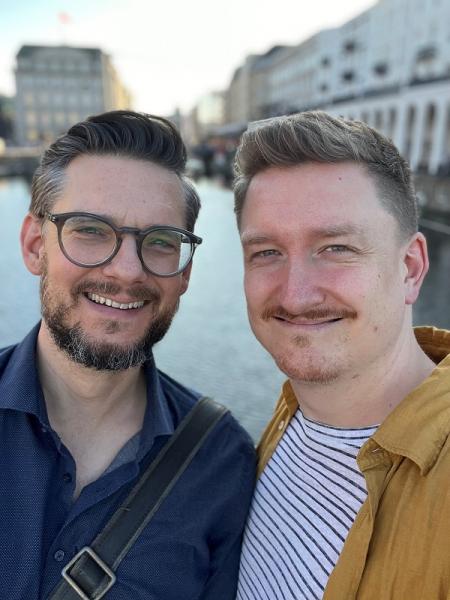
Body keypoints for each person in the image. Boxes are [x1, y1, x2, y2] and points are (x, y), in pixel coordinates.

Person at [0, 110, 255, 600]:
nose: (126, 271)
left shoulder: (222, 461)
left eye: (160, 242)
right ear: (35, 246)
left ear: (184, 273)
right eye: (90, 230)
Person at [233, 111, 450, 599]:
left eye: (335, 247)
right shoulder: (291, 416)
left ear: (411, 268)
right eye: (266, 253)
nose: (295, 295)